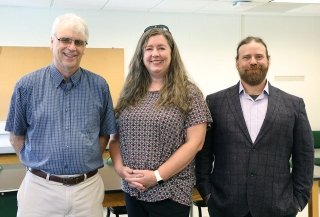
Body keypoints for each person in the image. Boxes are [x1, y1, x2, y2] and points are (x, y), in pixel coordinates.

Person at [5, 13, 117, 217]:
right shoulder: (26, 86)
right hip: (40, 190)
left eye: (79, 42)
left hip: (87, 190)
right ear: (51, 42)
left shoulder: (99, 86)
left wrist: (83, 160)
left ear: (84, 47)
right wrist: (38, 165)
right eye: (65, 40)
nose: (72, 47)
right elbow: (16, 137)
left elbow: (104, 135)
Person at [195, 36, 314, 217]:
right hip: (225, 207)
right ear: (237, 62)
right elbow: (203, 153)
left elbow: (304, 157)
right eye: (246, 57)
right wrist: (208, 193)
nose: (253, 62)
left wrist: (298, 200)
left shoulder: (294, 105)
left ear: (268, 60)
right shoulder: (214, 103)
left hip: (278, 208)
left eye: (259, 56)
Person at [108, 24, 212, 217]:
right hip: (133, 191)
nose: (155, 54)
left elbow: (195, 143)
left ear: (172, 53)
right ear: (141, 55)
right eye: (149, 48)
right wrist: (121, 169)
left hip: (170, 193)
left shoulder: (189, 92)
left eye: (161, 48)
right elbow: (115, 139)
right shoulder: (129, 93)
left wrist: (156, 176)